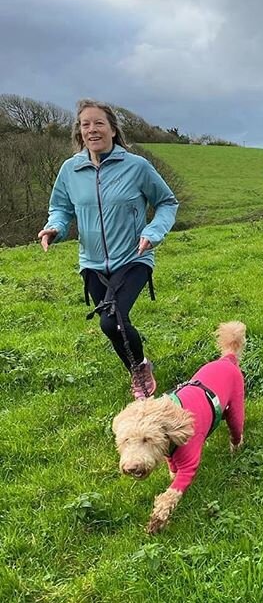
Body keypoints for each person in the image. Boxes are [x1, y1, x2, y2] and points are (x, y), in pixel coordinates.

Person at [38, 99, 179, 398]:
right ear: (79, 132)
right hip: (92, 263)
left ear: (113, 129)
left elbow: (167, 202)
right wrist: (55, 229)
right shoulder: (70, 170)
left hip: (134, 257)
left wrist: (154, 231)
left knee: (110, 319)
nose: (92, 129)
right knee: (113, 324)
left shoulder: (137, 166)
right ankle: (138, 366)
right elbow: (61, 209)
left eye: (98, 123)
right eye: (85, 124)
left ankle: (139, 369)